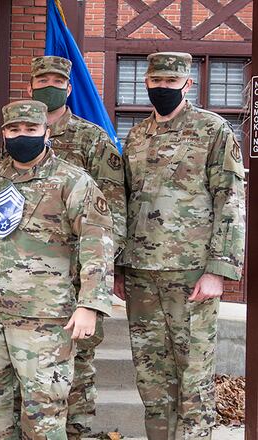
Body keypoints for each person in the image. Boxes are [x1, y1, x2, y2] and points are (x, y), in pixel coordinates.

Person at [0, 100, 113, 439]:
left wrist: (90, 304)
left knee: (43, 416)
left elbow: (97, 242)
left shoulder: (72, 181)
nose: (22, 135)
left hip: (45, 318)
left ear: (46, 132)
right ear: (4, 133)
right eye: (14, 129)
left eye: (31, 129)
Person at [117, 52, 245, 440]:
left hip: (190, 273)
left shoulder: (212, 129)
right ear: (146, 83)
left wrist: (218, 270)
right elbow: (125, 200)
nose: (163, 88)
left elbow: (230, 198)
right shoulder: (137, 136)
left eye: (171, 82)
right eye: (156, 81)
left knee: (193, 379)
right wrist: (119, 266)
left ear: (187, 84)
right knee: (151, 379)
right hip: (141, 273)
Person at [26, 55, 126, 438]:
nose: (48, 87)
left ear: (68, 88)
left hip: (75, 282)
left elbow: (113, 212)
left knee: (77, 373)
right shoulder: (20, 137)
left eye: (56, 82)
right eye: (42, 81)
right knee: (32, 373)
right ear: (30, 88)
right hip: (28, 282)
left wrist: (96, 280)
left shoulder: (93, 139)